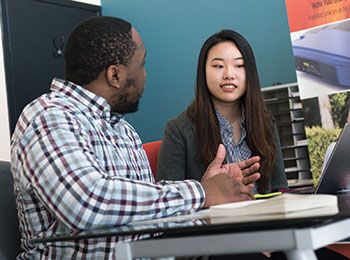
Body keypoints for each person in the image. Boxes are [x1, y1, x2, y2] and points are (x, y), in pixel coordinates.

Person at [10, 16, 261, 259]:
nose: (145, 76)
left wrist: (205, 206)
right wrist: (202, 192)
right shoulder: (48, 116)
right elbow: (87, 204)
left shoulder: (124, 131)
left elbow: (152, 223)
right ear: (115, 75)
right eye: (142, 65)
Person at [156, 29, 288, 194]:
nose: (229, 75)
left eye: (239, 65)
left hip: (265, 218)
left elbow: (280, 189)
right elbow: (166, 201)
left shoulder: (266, 123)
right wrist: (204, 190)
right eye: (218, 66)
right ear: (203, 72)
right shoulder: (178, 130)